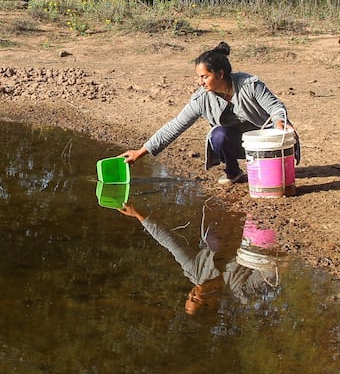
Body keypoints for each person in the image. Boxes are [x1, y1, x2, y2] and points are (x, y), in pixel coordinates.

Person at [120, 42, 297, 185]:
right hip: (239, 143)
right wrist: (140, 152)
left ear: (220, 74)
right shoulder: (201, 99)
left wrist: (280, 123)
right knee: (218, 135)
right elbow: (175, 126)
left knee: (274, 177)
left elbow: (276, 107)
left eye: (204, 76)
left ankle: (273, 167)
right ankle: (233, 172)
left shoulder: (249, 85)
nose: (200, 82)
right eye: (199, 77)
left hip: (266, 143)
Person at [117, 202, 277, 315]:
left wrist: (138, 215)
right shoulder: (240, 291)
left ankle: (230, 200)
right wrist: (260, 250)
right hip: (256, 240)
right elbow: (269, 273)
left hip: (226, 227)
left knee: (211, 240)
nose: (192, 292)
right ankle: (260, 216)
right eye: (195, 299)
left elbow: (170, 242)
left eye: (189, 296)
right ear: (211, 304)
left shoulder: (194, 270)